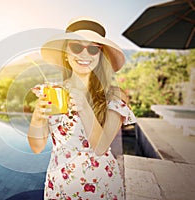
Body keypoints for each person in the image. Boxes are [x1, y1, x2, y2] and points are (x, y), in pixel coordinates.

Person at [27, 17, 136, 200]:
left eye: (93, 49)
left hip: (101, 187)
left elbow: (101, 147)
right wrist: (37, 119)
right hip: (59, 186)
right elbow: (37, 147)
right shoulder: (55, 92)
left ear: (100, 55)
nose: (84, 55)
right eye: (77, 47)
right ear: (66, 53)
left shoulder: (114, 96)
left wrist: (85, 107)